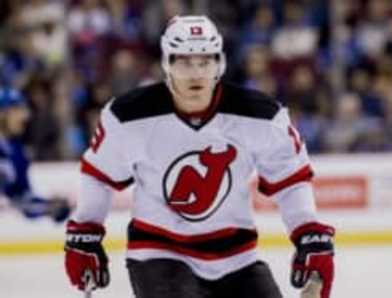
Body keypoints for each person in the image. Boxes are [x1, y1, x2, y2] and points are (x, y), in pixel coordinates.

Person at [64, 15, 335, 298]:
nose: (196, 73)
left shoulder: (261, 116)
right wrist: (86, 231)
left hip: (237, 258)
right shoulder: (128, 116)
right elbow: (100, 175)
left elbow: (291, 180)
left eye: (204, 61)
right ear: (167, 63)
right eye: (184, 62)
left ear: (219, 64)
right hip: (159, 253)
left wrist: (309, 233)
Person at [0, 85, 70, 222]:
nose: (25, 116)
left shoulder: (17, 151)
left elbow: (21, 198)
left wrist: (48, 207)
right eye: (16, 110)